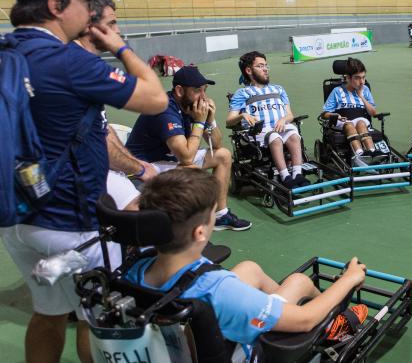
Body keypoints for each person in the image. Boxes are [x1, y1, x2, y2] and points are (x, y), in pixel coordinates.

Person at [1, 0, 168, 363]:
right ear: (56, 7)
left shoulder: (8, 51)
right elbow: (156, 98)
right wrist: (120, 46)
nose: (90, 11)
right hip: (71, 225)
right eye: (83, 1)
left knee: (48, 313)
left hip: (19, 218)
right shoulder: (69, 61)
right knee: (99, 320)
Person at [126, 168, 368, 358]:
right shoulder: (219, 289)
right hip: (236, 351)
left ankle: (309, 316)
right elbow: (304, 320)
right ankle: (332, 325)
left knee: (249, 269)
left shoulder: (134, 269)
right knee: (299, 282)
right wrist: (349, 279)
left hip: (179, 337)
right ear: (200, 233)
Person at [126, 65, 252, 231]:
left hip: (169, 161)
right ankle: (190, 227)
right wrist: (199, 122)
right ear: (179, 91)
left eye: (204, 90)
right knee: (190, 168)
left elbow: (216, 144)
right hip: (144, 166)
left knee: (223, 155)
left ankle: (220, 215)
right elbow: (185, 157)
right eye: (198, 90)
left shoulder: (190, 105)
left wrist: (209, 120)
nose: (203, 97)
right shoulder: (164, 109)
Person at [73, 0, 157, 211]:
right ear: (89, 26)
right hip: (74, 180)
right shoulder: (81, 65)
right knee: (147, 221)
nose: (117, 31)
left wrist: (134, 163)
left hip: (77, 171)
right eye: (111, 24)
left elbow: (100, 127)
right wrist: (121, 49)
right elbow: (155, 98)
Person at [227, 51, 309, 189]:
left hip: (281, 126)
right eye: (260, 66)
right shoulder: (242, 93)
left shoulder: (278, 89)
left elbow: (289, 115)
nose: (265, 69)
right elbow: (229, 121)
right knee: (275, 137)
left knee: (294, 136)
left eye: (266, 65)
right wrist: (241, 116)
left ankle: (297, 174)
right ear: (248, 70)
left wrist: (283, 120)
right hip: (260, 132)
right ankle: (285, 177)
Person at [321, 58, 384, 167]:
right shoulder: (337, 91)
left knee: (361, 123)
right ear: (348, 78)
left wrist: (361, 96)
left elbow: (373, 113)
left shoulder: (365, 90)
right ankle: (359, 155)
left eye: (364, 77)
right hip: (343, 122)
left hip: (361, 120)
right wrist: (336, 116)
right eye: (357, 78)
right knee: (349, 125)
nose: (362, 82)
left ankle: (372, 152)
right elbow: (325, 113)